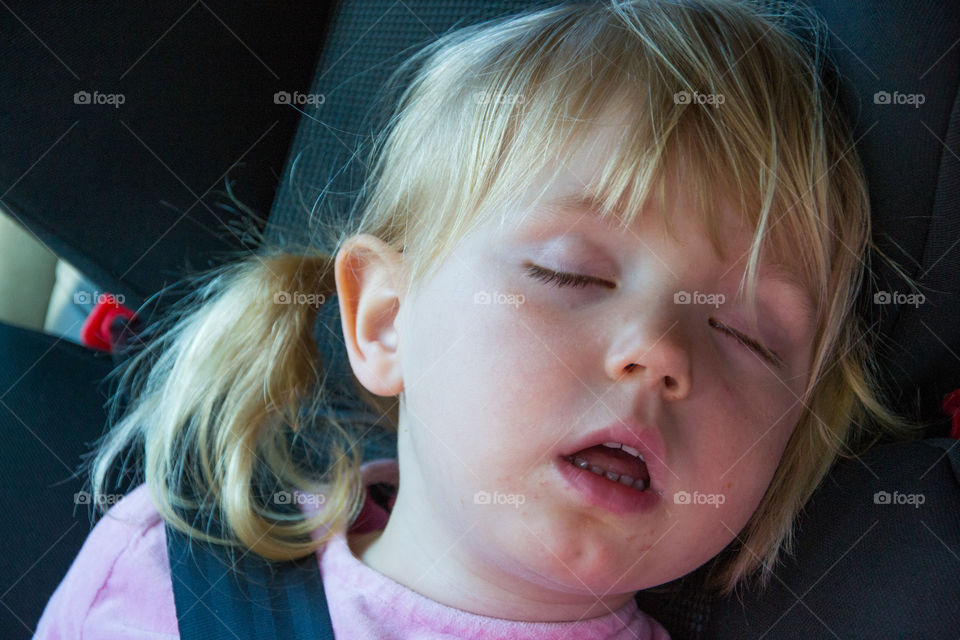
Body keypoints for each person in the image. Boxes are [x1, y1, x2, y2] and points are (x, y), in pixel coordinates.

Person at [35, 0, 921, 637]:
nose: (659, 352)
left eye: (747, 337)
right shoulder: (166, 566)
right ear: (385, 320)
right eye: (568, 273)